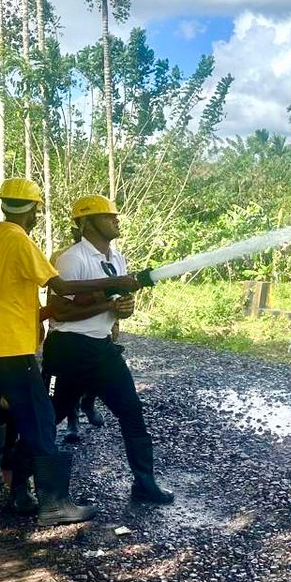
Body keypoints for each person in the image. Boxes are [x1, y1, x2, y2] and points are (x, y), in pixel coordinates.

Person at [0, 178, 143, 525]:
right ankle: (54, 505)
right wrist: (115, 284)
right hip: (11, 350)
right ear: (33, 209)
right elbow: (62, 287)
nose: (37, 215)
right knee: (42, 421)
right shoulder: (20, 241)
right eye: (37, 209)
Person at [43, 194, 174, 505]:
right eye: (107, 216)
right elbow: (59, 313)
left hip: (101, 347)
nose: (116, 220)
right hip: (70, 348)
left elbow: (116, 309)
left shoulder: (117, 258)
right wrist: (109, 303)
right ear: (86, 222)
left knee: (131, 411)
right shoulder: (72, 259)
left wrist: (123, 309)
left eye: (115, 215)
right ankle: (24, 479)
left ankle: (144, 483)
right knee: (53, 414)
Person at [50, 225, 105, 443]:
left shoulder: (103, 257)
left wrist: (115, 322)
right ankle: (72, 423)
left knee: (95, 377)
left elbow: (113, 293)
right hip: (67, 333)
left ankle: (89, 405)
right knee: (58, 383)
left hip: (97, 328)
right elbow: (53, 297)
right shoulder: (60, 257)